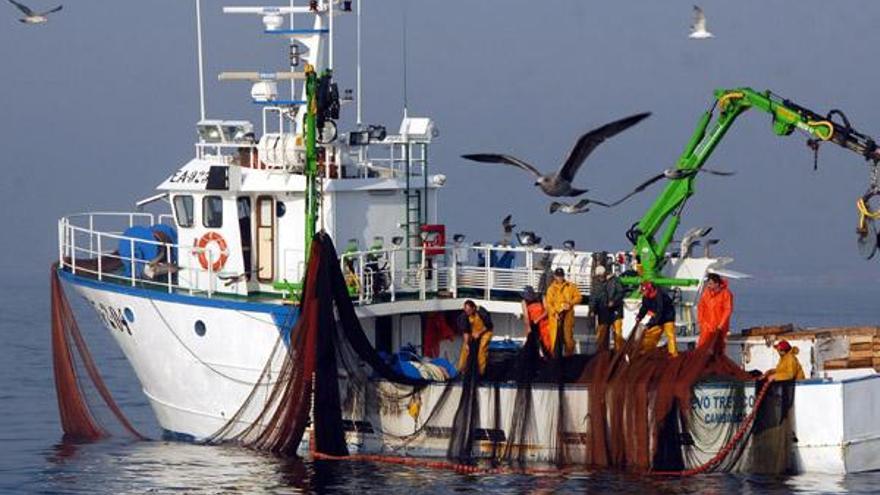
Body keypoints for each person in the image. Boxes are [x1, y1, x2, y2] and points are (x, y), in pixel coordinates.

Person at [544, 268, 583, 357]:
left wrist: (570, 303)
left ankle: (568, 359)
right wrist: (555, 313)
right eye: (558, 276)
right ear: (554, 276)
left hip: (567, 318)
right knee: (556, 341)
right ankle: (556, 360)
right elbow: (549, 303)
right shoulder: (551, 289)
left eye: (561, 276)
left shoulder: (571, 286)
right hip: (555, 319)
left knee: (568, 340)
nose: (560, 278)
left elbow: (579, 297)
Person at [636, 281, 678, 357]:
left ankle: (673, 354)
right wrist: (639, 316)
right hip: (657, 318)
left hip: (667, 317)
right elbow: (644, 307)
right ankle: (646, 350)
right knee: (650, 334)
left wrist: (651, 323)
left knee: (670, 334)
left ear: (649, 290)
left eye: (643, 291)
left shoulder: (660, 296)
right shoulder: (646, 297)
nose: (643, 294)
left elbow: (660, 311)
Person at [590, 265, 625, 352]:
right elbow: (593, 298)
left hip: (615, 310)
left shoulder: (615, 280)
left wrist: (614, 301)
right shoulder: (596, 284)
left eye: (601, 276)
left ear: (605, 274)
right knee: (602, 332)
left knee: (617, 331)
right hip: (603, 310)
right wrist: (592, 309)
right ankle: (602, 352)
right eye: (598, 276)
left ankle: (618, 352)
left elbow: (621, 293)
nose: (600, 278)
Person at [696, 273, 734, 355]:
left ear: (717, 284)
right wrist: (701, 321)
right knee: (702, 345)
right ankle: (701, 362)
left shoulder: (726, 293)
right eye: (708, 283)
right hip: (706, 325)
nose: (708, 286)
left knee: (719, 347)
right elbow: (701, 307)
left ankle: (717, 363)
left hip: (719, 327)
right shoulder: (706, 293)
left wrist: (720, 325)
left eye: (710, 284)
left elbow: (728, 310)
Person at [456, 300, 494, 376]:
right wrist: (467, 344)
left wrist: (479, 333)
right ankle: (461, 370)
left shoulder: (481, 312)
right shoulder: (464, 316)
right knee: (465, 349)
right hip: (473, 332)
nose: (467, 312)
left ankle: (481, 372)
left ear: (474, 308)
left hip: (485, 332)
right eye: (466, 310)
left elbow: (489, 325)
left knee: (482, 350)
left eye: (469, 310)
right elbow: (466, 331)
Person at [521, 286, 551, 356]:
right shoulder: (524, 301)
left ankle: (548, 355)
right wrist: (528, 327)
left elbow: (547, 311)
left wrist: (538, 319)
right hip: (533, 324)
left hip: (544, 323)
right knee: (532, 341)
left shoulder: (541, 297)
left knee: (546, 341)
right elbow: (526, 316)